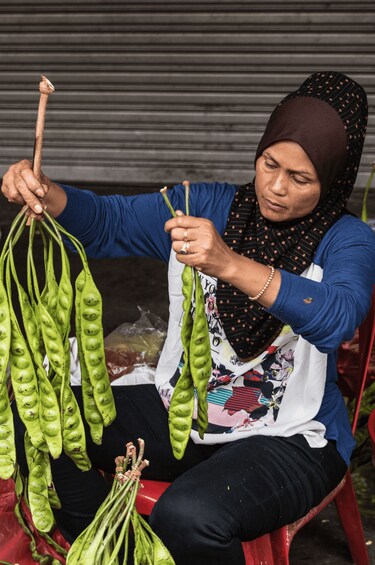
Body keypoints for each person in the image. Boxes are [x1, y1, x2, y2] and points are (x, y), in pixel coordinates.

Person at [2, 71, 375, 565]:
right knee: (41, 418)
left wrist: (229, 264)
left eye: (300, 178)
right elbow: (107, 222)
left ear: (333, 178)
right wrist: (47, 193)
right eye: (269, 164)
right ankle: (112, 550)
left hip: (291, 436)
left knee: (188, 516)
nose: (276, 187)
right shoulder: (206, 206)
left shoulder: (347, 239)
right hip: (185, 410)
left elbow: (337, 317)